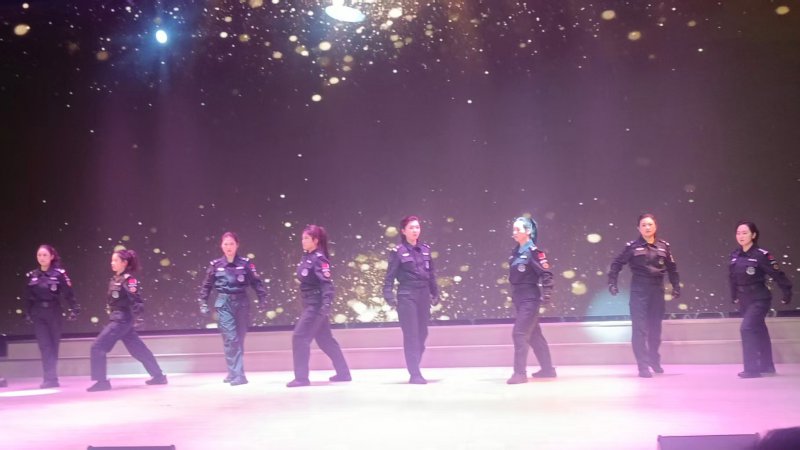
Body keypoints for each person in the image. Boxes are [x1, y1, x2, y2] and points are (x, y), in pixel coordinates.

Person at [608, 213, 680, 378]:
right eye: (643, 225)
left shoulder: (664, 246)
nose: (647, 227)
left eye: (650, 224)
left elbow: (672, 268)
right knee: (639, 329)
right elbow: (617, 263)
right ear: (638, 228)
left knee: (655, 328)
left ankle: (654, 359)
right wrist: (612, 282)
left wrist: (676, 286)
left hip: (657, 290)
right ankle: (643, 365)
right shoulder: (632, 247)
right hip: (639, 290)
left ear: (655, 226)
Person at [87, 249, 167, 392]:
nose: (112, 263)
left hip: (121, 320)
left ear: (124, 263)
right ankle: (158, 376)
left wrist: (138, 317)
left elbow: (137, 301)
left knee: (97, 347)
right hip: (119, 319)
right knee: (138, 350)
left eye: (115, 260)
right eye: (112, 260)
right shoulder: (115, 279)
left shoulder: (129, 280)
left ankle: (102, 382)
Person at [197, 232, 267, 386]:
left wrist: (262, 298)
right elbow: (206, 286)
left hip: (242, 302)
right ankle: (239, 376)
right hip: (224, 302)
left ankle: (233, 372)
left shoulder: (245, 263)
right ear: (221, 246)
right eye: (226, 244)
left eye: (231, 244)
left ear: (237, 245)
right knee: (231, 338)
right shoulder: (216, 265)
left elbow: (256, 282)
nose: (228, 247)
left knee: (238, 339)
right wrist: (203, 302)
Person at [286, 225, 351, 387]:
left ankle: (301, 378)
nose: (303, 241)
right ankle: (343, 373)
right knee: (325, 340)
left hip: (316, 306)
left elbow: (326, 285)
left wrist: (326, 306)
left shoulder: (319, 259)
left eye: (306, 238)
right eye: (302, 238)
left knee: (300, 337)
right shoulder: (307, 257)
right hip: (309, 303)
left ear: (316, 240)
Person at [729, 221, 792, 378]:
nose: (741, 236)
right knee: (759, 330)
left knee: (747, 328)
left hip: (759, 298)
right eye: (738, 233)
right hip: (744, 299)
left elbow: (777, 274)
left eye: (745, 233)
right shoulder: (735, 255)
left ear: (753, 235)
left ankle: (752, 369)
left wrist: (787, 291)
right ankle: (767, 366)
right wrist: (734, 295)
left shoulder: (761, 255)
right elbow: (732, 277)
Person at [382, 215, 439, 384]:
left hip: (423, 294)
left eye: (417, 227)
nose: (415, 230)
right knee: (411, 335)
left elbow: (431, 274)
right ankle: (414, 373)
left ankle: (415, 366)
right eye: (411, 227)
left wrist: (435, 292)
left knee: (422, 334)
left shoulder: (425, 250)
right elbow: (389, 277)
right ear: (403, 231)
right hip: (407, 295)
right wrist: (389, 296)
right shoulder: (398, 252)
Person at [506, 216, 556, 384]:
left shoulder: (534, 252)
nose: (514, 232)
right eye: (513, 229)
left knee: (519, 333)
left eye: (518, 229)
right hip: (519, 298)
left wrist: (547, 292)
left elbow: (546, 273)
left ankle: (519, 373)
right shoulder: (516, 252)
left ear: (528, 231)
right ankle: (548, 369)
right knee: (534, 335)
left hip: (530, 298)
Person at [25, 244, 80, 388]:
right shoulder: (32, 275)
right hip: (39, 314)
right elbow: (29, 297)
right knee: (44, 346)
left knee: (53, 345)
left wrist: (74, 309)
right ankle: (49, 378)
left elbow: (68, 293)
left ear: (51, 257)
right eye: (39, 255)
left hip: (54, 312)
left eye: (45, 255)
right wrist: (27, 312)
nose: (41, 258)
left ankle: (52, 378)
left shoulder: (59, 274)